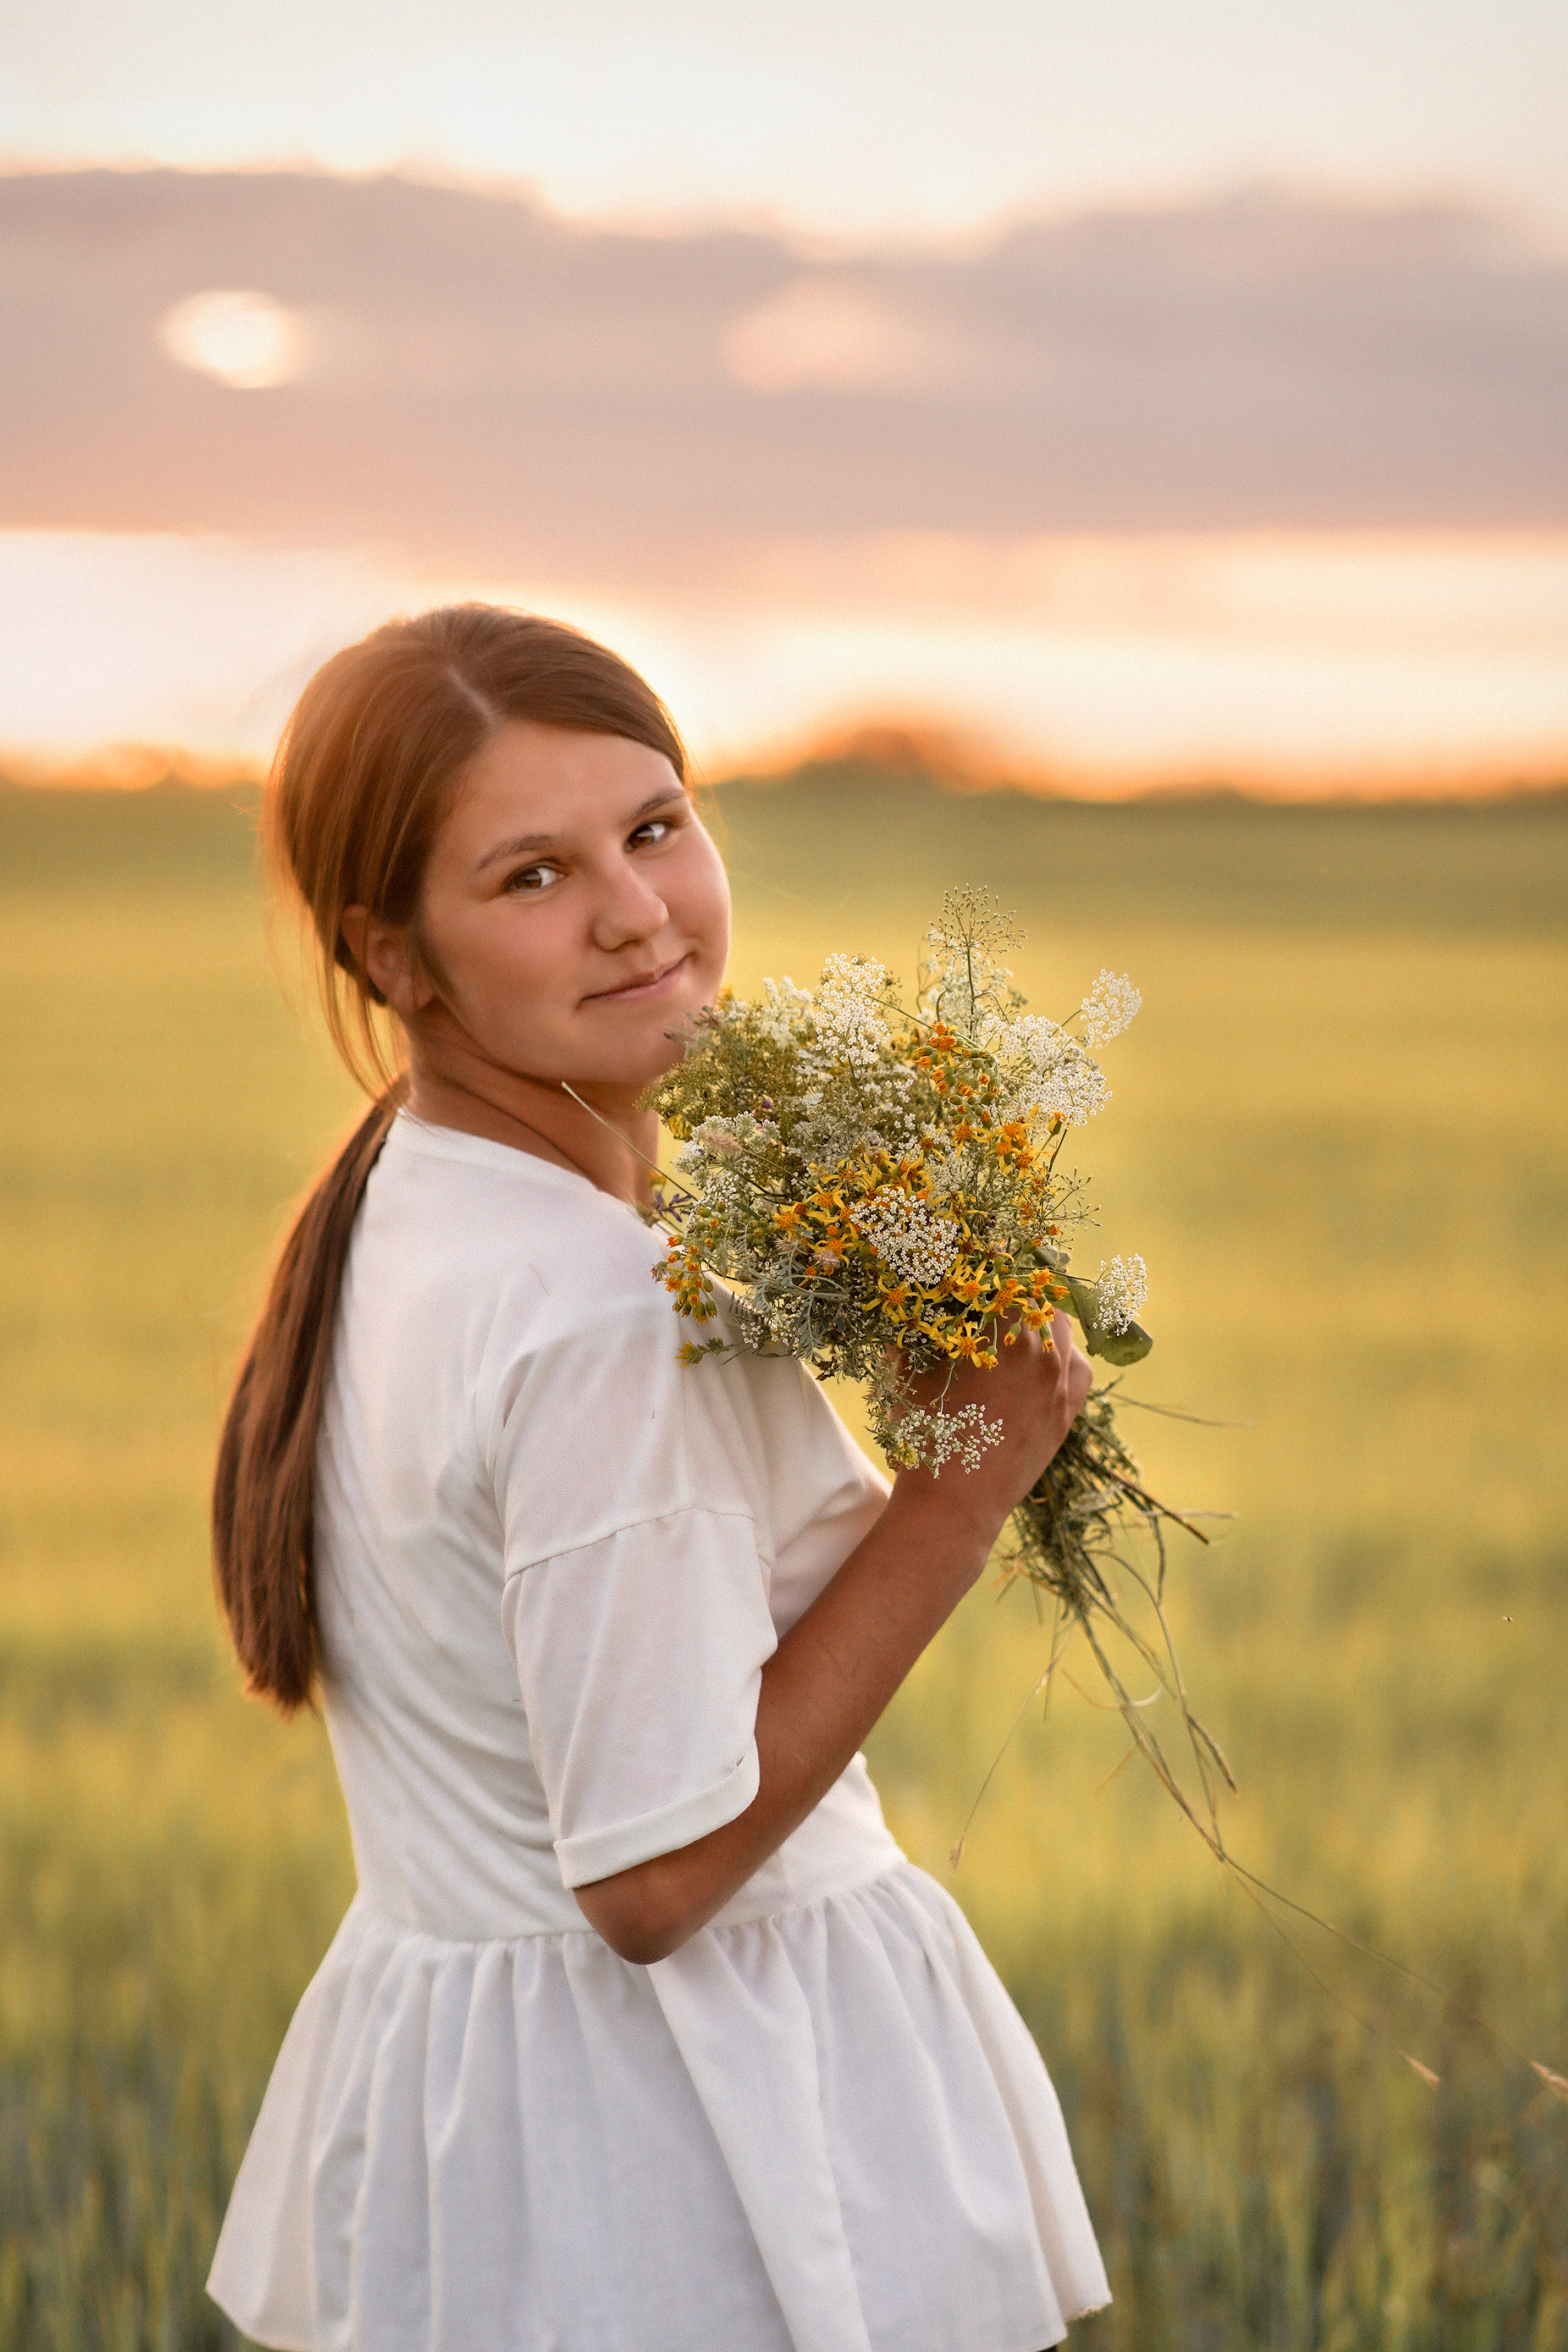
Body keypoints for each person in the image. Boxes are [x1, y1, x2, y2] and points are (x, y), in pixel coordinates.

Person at [206, 605, 1110, 2352]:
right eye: (531, 877)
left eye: (653, 826)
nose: (636, 911)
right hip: (681, 2166)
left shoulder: (422, 1199)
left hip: (506, 2130)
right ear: (393, 958)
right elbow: (654, 1879)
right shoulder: (604, 1312)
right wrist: (960, 1490)